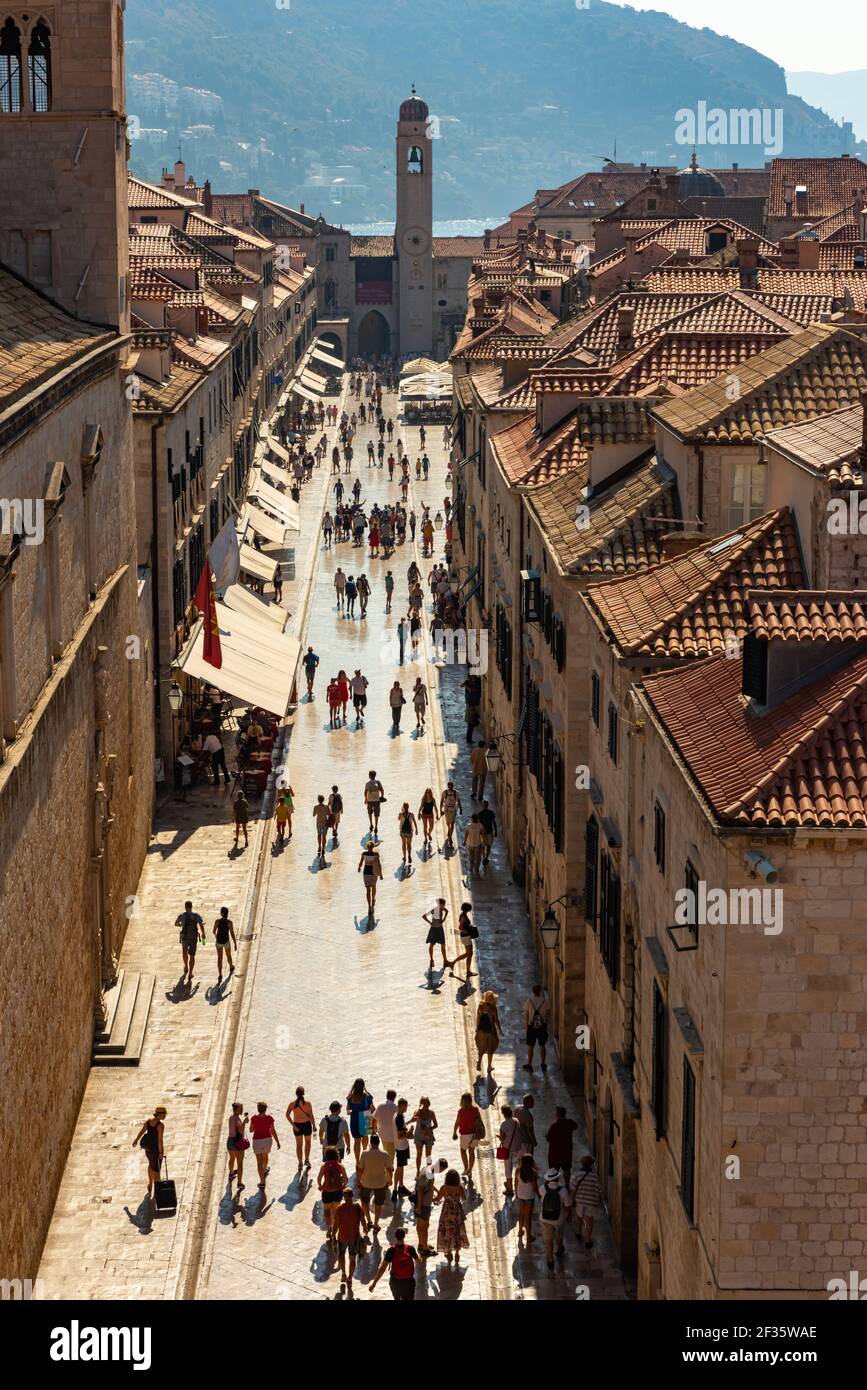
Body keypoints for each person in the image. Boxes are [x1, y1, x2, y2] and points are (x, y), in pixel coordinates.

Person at [369, 1228, 420, 1300]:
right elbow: (418, 1261)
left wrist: (374, 1284)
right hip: (409, 1282)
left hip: (396, 1282)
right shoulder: (410, 1248)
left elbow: (382, 1268)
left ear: (395, 1237)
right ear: (404, 1236)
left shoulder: (391, 1250)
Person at [336, 1188, 369, 1297]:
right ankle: (350, 1277)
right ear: (352, 1195)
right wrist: (365, 1228)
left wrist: (332, 1234)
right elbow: (363, 1219)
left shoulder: (340, 1208)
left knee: (341, 1255)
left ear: (344, 1197)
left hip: (342, 1237)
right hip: (354, 1238)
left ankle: (344, 1274)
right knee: (352, 1258)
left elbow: (336, 1223)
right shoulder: (357, 1207)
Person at [357, 1134, 392, 1233]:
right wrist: (390, 1179)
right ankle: (376, 1224)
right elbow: (389, 1169)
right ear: (379, 1143)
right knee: (378, 1204)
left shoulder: (364, 1154)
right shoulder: (385, 1154)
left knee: (364, 1202)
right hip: (380, 1183)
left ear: (370, 1143)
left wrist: (359, 1181)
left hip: (366, 1182)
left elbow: (360, 1170)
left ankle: (369, 1221)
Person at [413, 1155, 447, 1257]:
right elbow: (420, 1190)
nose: (441, 1172)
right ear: (440, 1167)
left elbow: (427, 1185)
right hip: (423, 1205)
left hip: (422, 1203)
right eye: (442, 1170)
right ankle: (424, 1248)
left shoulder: (427, 1168)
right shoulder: (429, 1174)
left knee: (420, 1225)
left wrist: (435, 1191)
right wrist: (419, 1207)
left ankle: (422, 1243)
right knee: (424, 1226)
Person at [435, 1169, 469, 1263]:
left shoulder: (444, 1188)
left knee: (447, 1231)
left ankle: (448, 1251)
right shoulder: (459, 1187)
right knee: (457, 1231)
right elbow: (464, 1198)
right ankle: (457, 1253)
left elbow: (438, 1199)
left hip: (447, 1213)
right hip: (457, 1213)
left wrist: (432, 1198)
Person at [539, 1167, 570, 1269]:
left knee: (548, 1239)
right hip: (559, 1218)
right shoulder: (563, 1190)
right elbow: (567, 1205)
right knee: (559, 1235)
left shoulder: (542, 1188)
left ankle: (550, 1259)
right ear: (557, 1178)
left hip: (545, 1218)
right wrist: (568, 1216)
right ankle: (559, 1249)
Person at [570, 1153, 603, 1249]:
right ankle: (588, 1240)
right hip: (591, 1201)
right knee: (589, 1220)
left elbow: (573, 1188)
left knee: (579, 1217)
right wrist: (599, 1199)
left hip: (580, 1200)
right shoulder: (595, 1176)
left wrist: (572, 1200)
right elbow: (599, 1189)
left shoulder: (576, 1174)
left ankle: (578, 1232)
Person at [133, 1107, 166, 1200]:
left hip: (148, 1150)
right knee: (157, 1171)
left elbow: (142, 1131)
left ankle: (150, 1184)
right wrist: (161, 1152)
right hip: (155, 1150)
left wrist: (136, 1140)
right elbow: (160, 1140)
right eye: (164, 1114)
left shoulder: (148, 1121)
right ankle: (157, 1191)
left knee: (151, 1166)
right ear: (159, 1115)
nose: (165, 1116)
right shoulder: (160, 1126)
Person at [317, 1147, 348, 1242]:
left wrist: (320, 1186)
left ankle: (329, 1226)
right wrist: (343, 1186)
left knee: (326, 1211)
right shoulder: (340, 1166)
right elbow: (346, 1179)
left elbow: (319, 1178)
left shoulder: (324, 1166)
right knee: (335, 1210)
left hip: (327, 1192)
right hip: (337, 1191)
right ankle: (334, 1227)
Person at [249, 1101, 280, 1192]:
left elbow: (251, 1130)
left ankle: (262, 1182)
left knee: (259, 1162)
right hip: (267, 1140)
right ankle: (265, 1168)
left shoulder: (253, 1118)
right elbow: (273, 1131)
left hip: (257, 1141)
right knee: (265, 1154)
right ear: (265, 1109)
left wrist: (252, 1124)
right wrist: (277, 1141)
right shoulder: (270, 1118)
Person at [453, 1092, 483, 1181]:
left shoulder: (461, 1111)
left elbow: (457, 1123)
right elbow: (480, 1121)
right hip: (475, 1134)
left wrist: (454, 1132)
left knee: (463, 1151)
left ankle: (466, 1168)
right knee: (472, 1152)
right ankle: (470, 1169)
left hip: (465, 1135)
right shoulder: (475, 1109)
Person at [547, 1106, 579, 1185]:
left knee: (554, 1171)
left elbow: (549, 1139)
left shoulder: (554, 1126)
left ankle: (554, 1185)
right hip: (566, 1152)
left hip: (555, 1153)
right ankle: (567, 1185)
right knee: (567, 1170)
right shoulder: (569, 1123)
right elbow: (576, 1126)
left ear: (557, 1115)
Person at [176, 900, 206, 984]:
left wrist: (182, 925)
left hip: (185, 938)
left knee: (184, 953)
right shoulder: (196, 916)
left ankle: (186, 967)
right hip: (193, 938)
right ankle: (190, 973)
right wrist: (203, 934)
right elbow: (201, 925)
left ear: (185, 907)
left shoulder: (182, 916)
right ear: (191, 907)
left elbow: (176, 923)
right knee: (192, 956)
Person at [286, 1086, 316, 1169]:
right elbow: (311, 1115)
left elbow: (287, 1115)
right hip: (306, 1125)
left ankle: (300, 1163)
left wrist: (293, 1125)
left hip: (297, 1125)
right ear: (303, 1094)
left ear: (296, 1094)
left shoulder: (292, 1104)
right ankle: (306, 1159)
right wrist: (314, 1125)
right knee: (308, 1142)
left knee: (299, 1145)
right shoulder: (308, 1103)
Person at [347, 1079, 375, 1166]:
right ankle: (364, 1152)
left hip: (355, 1118)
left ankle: (357, 1161)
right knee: (365, 1137)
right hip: (365, 1117)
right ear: (363, 1086)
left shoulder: (351, 1097)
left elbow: (348, 1110)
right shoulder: (367, 1097)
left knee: (356, 1141)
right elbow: (373, 1109)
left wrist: (352, 1112)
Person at [524, 984, 551, 1071]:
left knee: (530, 1046)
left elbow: (527, 1015)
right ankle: (543, 1063)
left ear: (533, 992)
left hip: (531, 1026)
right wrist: (545, 1021)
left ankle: (529, 1064)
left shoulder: (529, 1001)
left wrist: (526, 1026)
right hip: (542, 1026)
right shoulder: (545, 1001)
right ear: (540, 991)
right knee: (542, 1045)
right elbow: (548, 1013)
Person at [449, 902, 477, 981]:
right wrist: (466, 931)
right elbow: (460, 927)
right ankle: (467, 971)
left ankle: (454, 963)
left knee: (468, 954)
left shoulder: (462, 914)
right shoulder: (464, 916)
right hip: (466, 937)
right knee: (469, 954)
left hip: (465, 937)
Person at [475, 990, 501, 1075]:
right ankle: (489, 1066)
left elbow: (478, 1018)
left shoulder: (480, 1006)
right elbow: (496, 1021)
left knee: (481, 1047)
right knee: (490, 1048)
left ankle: (479, 1062)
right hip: (490, 1031)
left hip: (481, 1030)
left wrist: (477, 1028)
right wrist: (500, 1030)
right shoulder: (493, 1008)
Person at [392, 1098, 413, 1202]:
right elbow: (400, 1135)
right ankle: (396, 1189)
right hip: (401, 1147)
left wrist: (410, 1121)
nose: (406, 1108)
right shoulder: (399, 1118)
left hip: (400, 1146)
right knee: (399, 1167)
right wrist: (409, 1133)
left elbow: (400, 1130)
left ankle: (400, 1186)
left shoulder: (397, 1116)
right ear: (402, 1106)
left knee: (401, 1167)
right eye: (406, 1106)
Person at [498, 1104, 521, 1198]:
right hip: (518, 1148)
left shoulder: (503, 1125)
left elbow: (502, 1138)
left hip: (508, 1149)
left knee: (508, 1169)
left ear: (503, 1114)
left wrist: (499, 1137)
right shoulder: (516, 1121)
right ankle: (518, 1184)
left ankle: (510, 1189)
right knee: (518, 1167)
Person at [516, 1154, 540, 1243]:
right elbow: (534, 1187)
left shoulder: (518, 1170)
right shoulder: (532, 1172)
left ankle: (520, 1230)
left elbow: (516, 1182)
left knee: (521, 1213)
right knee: (528, 1216)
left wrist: (516, 1193)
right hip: (529, 1196)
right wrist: (539, 1195)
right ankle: (529, 1236)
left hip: (521, 1195)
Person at [410, 1097, 437, 1173]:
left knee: (428, 1155)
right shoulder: (417, 1112)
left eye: (425, 1103)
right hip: (418, 1136)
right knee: (419, 1155)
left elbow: (436, 1125)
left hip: (428, 1136)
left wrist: (429, 1129)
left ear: (428, 1105)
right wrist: (419, 1110)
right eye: (422, 1103)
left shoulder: (431, 1113)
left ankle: (428, 1171)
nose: (423, 1105)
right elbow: (413, 1119)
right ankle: (418, 1171)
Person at [226, 1102, 248, 1191]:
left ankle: (231, 1173)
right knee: (240, 1163)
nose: (242, 1110)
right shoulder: (237, 1120)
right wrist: (245, 1122)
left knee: (231, 1158)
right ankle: (239, 1183)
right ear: (236, 1109)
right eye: (240, 1109)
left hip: (230, 1141)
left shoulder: (231, 1117)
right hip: (237, 1142)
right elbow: (241, 1132)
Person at [423, 898, 450, 972]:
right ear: (439, 904)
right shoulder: (434, 909)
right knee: (432, 945)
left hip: (440, 929)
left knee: (443, 944)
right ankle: (431, 960)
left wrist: (444, 919)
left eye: (444, 904)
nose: (444, 906)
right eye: (443, 904)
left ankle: (445, 960)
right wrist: (430, 923)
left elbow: (447, 911)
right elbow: (424, 916)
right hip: (434, 929)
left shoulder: (442, 908)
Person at [358, 840, 383, 916]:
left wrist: (359, 867)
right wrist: (381, 874)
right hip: (374, 872)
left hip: (366, 872)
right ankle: (373, 899)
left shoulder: (364, 854)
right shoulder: (376, 854)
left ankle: (369, 906)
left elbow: (361, 862)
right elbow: (379, 865)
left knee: (368, 890)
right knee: (374, 887)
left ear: (367, 847)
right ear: (373, 847)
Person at [212, 906, 237, 984]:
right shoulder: (229, 922)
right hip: (226, 942)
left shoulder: (217, 921)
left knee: (220, 959)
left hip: (219, 942)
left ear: (222, 913)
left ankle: (220, 975)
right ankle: (231, 967)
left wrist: (216, 936)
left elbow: (213, 931)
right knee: (228, 955)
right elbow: (232, 933)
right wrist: (235, 943)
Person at [373, 1090, 399, 1163]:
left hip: (382, 1135)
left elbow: (374, 1119)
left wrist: (373, 1130)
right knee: (390, 1156)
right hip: (392, 1136)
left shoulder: (380, 1106)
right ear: (394, 1098)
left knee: (385, 1150)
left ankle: (385, 1167)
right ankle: (389, 1169)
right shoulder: (396, 1108)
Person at [440, 781, 462, 848]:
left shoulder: (456, 793)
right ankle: (450, 833)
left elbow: (458, 801)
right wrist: (440, 810)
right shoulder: (444, 792)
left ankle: (450, 838)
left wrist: (461, 809)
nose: (450, 788)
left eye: (451, 786)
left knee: (452, 824)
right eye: (449, 786)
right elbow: (441, 801)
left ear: (453, 786)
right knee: (448, 823)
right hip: (447, 810)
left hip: (453, 810)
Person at [514, 1093, 537, 1158]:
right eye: (532, 1101)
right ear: (527, 1103)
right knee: (527, 1160)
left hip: (518, 1140)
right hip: (526, 1141)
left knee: (520, 1160)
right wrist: (534, 1141)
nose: (533, 1103)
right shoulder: (528, 1115)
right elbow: (530, 1130)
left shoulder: (517, 1108)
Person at [364, 770, 385, 834]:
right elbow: (382, 790)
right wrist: (382, 796)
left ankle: (371, 824)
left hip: (369, 800)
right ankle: (376, 826)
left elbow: (365, 792)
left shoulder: (367, 783)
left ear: (370, 776)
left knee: (370, 813)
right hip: (377, 800)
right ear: (375, 775)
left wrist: (365, 799)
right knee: (376, 814)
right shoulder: (378, 782)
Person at [398, 801, 418, 867]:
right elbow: (415, 822)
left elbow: (398, 819)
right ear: (408, 807)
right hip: (409, 832)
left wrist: (401, 811)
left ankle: (404, 857)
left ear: (403, 807)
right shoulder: (411, 814)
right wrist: (416, 829)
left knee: (403, 844)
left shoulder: (401, 814)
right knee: (409, 844)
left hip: (402, 832)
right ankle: (409, 855)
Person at [478, 800, 497, 865]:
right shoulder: (491, 813)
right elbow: (494, 822)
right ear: (488, 805)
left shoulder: (480, 814)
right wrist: (496, 831)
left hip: (482, 833)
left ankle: (484, 857)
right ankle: (486, 857)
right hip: (489, 831)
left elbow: (479, 824)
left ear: (483, 806)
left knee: (483, 846)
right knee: (488, 846)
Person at [313, 794, 330, 863]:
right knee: (324, 836)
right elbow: (328, 814)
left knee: (319, 835)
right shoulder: (326, 807)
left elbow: (314, 815)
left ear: (318, 800)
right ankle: (323, 848)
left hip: (319, 823)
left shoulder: (315, 807)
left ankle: (319, 846)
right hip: (325, 823)